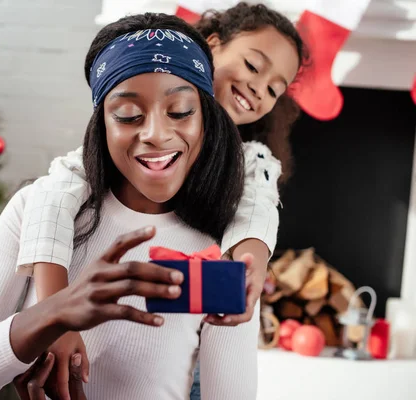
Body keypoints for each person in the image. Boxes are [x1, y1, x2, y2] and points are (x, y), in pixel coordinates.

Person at [0, 12, 258, 400]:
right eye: (128, 115)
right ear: (102, 123)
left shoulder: (225, 246)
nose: (156, 134)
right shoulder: (36, 210)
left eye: (181, 112)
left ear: (206, 121)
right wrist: (54, 312)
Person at [17, 2, 307, 393]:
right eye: (253, 67)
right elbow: (52, 198)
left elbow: (256, 209)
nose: (259, 88)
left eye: (274, 89)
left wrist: (250, 262)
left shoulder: (251, 164)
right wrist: (54, 315)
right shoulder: (96, 166)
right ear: (212, 46)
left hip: (197, 344)